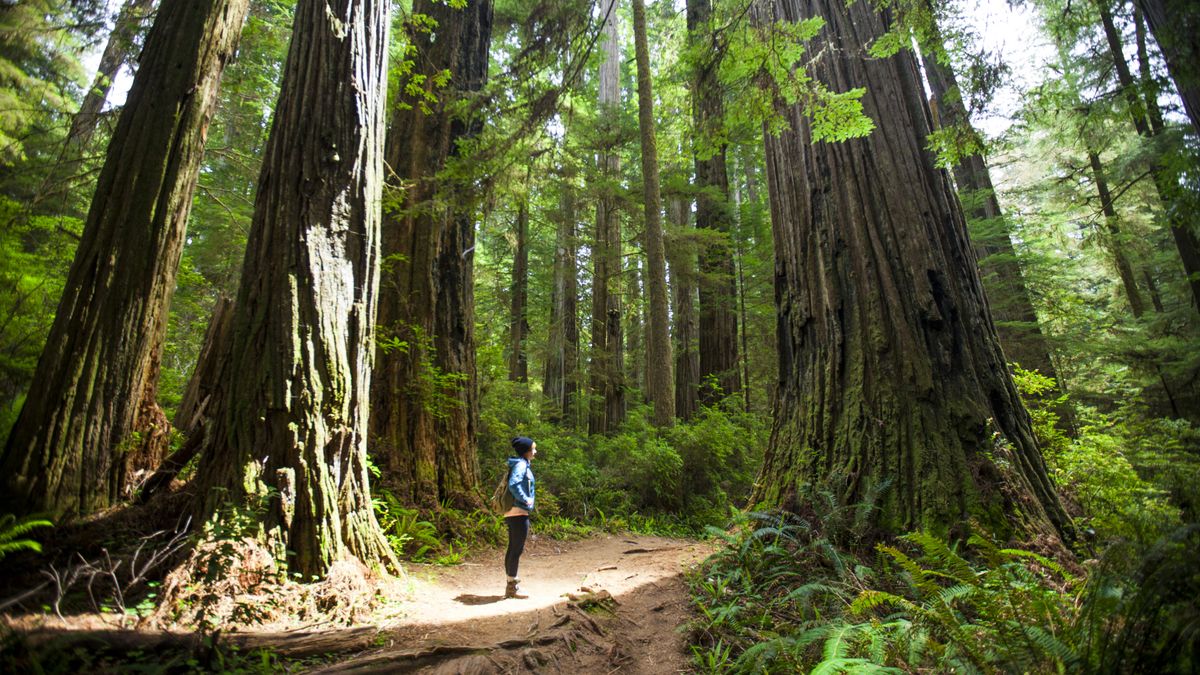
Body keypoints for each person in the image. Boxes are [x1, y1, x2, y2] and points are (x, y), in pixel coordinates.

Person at [504, 436, 536, 598]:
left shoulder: (520, 464)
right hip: (518, 512)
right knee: (516, 549)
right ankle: (512, 587)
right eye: (533, 449)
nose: (535, 452)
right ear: (526, 451)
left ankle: (511, 585)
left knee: (513, 548)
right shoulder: (521, 465)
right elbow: (514, 484)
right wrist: (526, 499)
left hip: (514, 512)